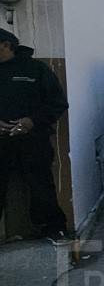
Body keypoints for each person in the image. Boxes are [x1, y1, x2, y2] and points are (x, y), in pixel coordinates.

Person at [0, 29, 72, 244]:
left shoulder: (36, 69)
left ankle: (54, 228)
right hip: (1, 142)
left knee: (41, 185)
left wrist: (32, 121)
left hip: (33, 140)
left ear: (5, 45)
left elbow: (57, 103)